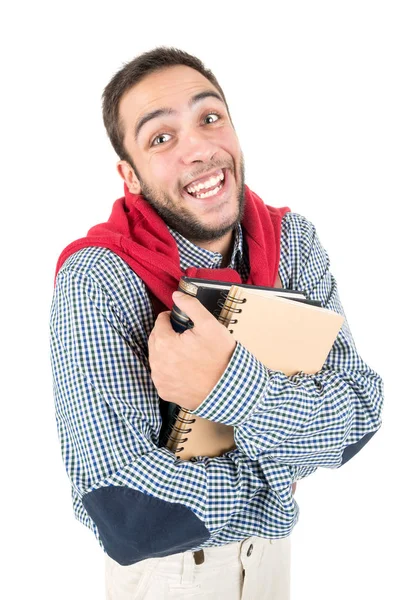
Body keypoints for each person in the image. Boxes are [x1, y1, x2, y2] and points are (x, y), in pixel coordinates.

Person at [50, 47, 384, 600]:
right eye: (161, 138)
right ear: (129, 176)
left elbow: (360, 414)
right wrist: (284, 469)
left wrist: (228, 387)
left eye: (210, 118)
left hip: (273, 565)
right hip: (170, 576)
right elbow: (128, 513)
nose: (200, 149)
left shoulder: (293, 241)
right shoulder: (97, 277)